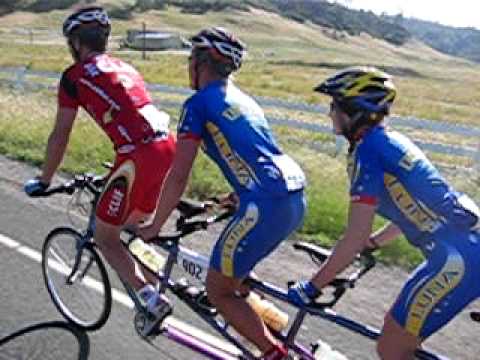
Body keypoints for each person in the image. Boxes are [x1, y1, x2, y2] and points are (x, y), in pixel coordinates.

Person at [288, 67, 480, 359]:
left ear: (352, 112)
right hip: (461, 251)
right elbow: (415, 210)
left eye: (334, 105)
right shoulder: (388, 141)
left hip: (458, 260)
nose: (329, 113)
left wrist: (312, 287)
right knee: (399, 342)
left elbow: (354, 236)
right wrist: (374, 243)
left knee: (393, 347)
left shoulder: (370, 152)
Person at [137, 27, 306, 359]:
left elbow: (178, 175)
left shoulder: (198, 103)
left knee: (217, 290)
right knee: (233, 273)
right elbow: (254, 153)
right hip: (293, 196)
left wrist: (155, 226)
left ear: (200, 62)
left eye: (190, 59)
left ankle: (273, 354)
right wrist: (237, 195)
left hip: (265, 203)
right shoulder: (243, 98)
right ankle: (260, 316)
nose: (188, 65)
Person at [24, 6, 176, 330]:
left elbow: (60, 134)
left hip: (136, 155)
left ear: (77, 43)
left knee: (106, 237)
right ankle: (158, 284)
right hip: (166, 147)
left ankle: (151, 299)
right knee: (132, 230)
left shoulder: (73, 77)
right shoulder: (126, 66)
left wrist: (44, 179)